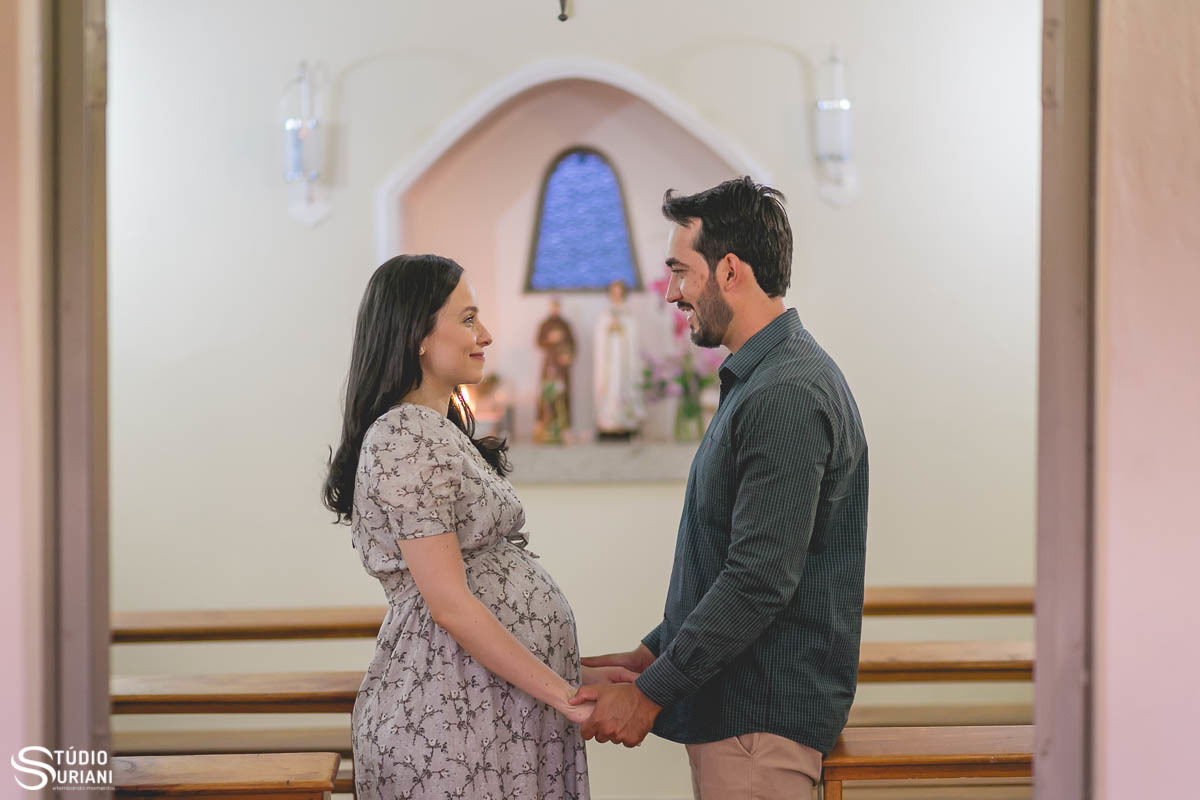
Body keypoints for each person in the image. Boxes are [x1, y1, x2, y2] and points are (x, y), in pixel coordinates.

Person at [572, 178, 869, 799]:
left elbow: (758, 579)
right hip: (741, 715)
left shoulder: (785, 390)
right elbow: (729, 556)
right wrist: (651, 655)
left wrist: (649, 696)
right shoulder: (761, 378)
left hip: (758, 722)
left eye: (681, 272)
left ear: (729, 269)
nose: (672, 292)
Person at [323, 255, 635, 799]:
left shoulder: (435, 429)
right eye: (467, 319)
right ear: (418, 333)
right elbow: (449, 604)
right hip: (452, 713)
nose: (485, 334)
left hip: (487, 699)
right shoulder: (404, 434)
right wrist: (563, 695)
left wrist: (572, 673)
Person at [592, 280, 644, 440]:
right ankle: (607, 424)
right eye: (613, 291)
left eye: (619, 291)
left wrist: (622, 328)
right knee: (609, 389)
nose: (616, 294)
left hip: (622, 361)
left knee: (623, 387)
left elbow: (633, 335)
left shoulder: (628, 313)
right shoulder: (605, 314)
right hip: (609, 362)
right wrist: (609, 328)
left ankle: (625, 424)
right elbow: (599, 336)